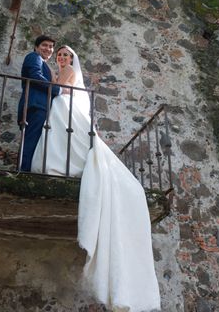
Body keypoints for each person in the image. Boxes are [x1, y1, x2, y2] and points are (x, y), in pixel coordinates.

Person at [32, 46, 161, 312]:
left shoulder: (66, 72)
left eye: (66, 56)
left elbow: (58, 89)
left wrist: (50, 76)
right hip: (63, 104)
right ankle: (58, 163)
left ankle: (59, 165)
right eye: (60, 57)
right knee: (63, 134)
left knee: (64, 130)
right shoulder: (63, 69)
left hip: (63, 103)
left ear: (72, 60)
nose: (63, 60)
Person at [17, 35, 60, 172]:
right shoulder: (34, 57)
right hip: (36, 105)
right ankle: (23, 172)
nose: (48, 48)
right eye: (44, 45)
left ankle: (26, 170)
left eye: (51, 46)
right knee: (31, 140)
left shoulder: (43, 63)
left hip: (40, 106)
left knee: (34, 140)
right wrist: (58, 90)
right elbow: (35, 76)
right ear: (36, 47)